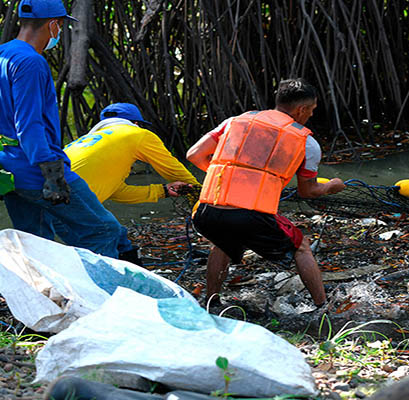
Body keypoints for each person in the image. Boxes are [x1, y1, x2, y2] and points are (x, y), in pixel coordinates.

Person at [187, 78, 346, 307]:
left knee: (221, 242)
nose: (310, 115)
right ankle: (323, 308)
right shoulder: (306, 142)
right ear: (301, 109)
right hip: (250, 216)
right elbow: (308, 191)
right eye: (311, 110)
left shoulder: (235, 121)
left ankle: (212, 302)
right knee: (301, 246)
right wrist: (332, 185)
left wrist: (234, 177)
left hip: (206, 213)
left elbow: (194, 155)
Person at [0, 0, 123, 258]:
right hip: (37, 168)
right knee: (103, 230)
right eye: (60, 27)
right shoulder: (31, 62)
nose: (58, 33)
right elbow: (29, 123)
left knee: (35, 240)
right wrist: (52, 172)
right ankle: (100, 296)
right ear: (53, 24)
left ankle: (39, 297)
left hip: (9, 169)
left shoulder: (4, 54)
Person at [62, 102, 201, 262]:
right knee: (107, 232)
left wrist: (163, 190)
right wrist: (201, 197)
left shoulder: (88, 142)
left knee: (117, 236)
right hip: (68, 198)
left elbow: (116, 191)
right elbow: (173, 170)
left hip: (44, 194)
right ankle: (108, 283)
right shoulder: (137, 134)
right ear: (136, 123)